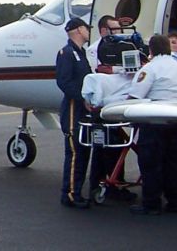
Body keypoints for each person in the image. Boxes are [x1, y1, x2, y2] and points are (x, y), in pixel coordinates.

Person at [127, 35, 177, 215]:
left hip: (155, 122)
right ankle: (174, 201)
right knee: (173, 164)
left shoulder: (150, 69)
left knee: (151, 164)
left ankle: (151, 203)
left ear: (151, 50)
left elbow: (136, 95)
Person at [84, 15, 136, 202]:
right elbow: (96, 73)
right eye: (115, 30)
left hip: (118, 101)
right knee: (103, 145)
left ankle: (115, 183)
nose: (119, 33)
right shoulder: (94, 50)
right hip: (103, 104)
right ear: (104, 31)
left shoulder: (123, 47)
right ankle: (100, 183)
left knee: (116, 144)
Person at [56, 17, 92, 209]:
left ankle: (76, 191)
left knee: (83, 152)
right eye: (86, 28)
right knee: (75, 152)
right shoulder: (67, 53)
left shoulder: (81, 53)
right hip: (73, 109)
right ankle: (69, 194)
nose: (89, 31)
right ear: (78, 30)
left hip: (82, 109)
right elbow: (64, 82)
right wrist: (81, 98)